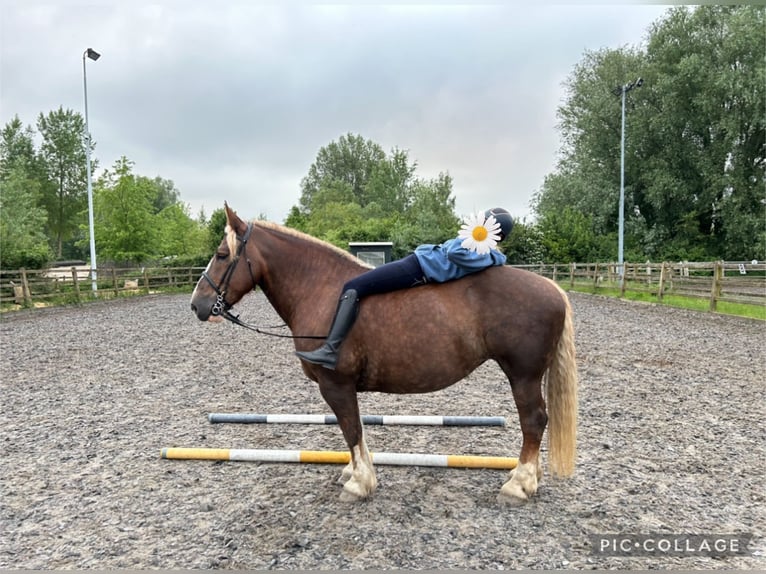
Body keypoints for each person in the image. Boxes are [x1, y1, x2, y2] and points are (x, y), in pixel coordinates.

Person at [295, 207, 514, 369]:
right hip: (418, 263)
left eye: (484, 225)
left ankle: (330, 350)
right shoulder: (482, 249)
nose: (479, 227)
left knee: (353, 286)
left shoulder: (484, 253)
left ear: (494, 233)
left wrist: (471, 236)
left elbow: (452, 253)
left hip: (418, 268)